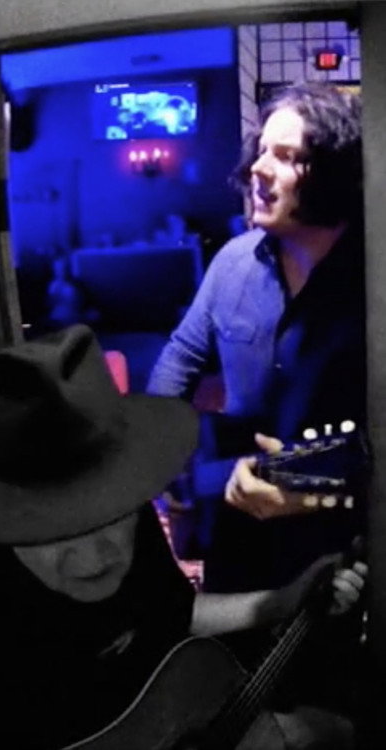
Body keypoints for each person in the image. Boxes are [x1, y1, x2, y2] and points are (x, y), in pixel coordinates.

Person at [0, 324, 365, 750]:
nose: (95, 557)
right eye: (52, 533)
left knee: (333, 728)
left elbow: (170, 614)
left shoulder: (131, 512)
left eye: (111, 516)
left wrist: (280, 602)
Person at [147, 82, 366, 594]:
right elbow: (179, 361)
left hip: (344, 533)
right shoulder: (233, 262)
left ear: (333, 173)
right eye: (262, 150)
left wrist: (316, 492)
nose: (257, 169)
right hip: (236, 520)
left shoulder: (371, 274)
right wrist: (165, 466)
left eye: (286, 156)